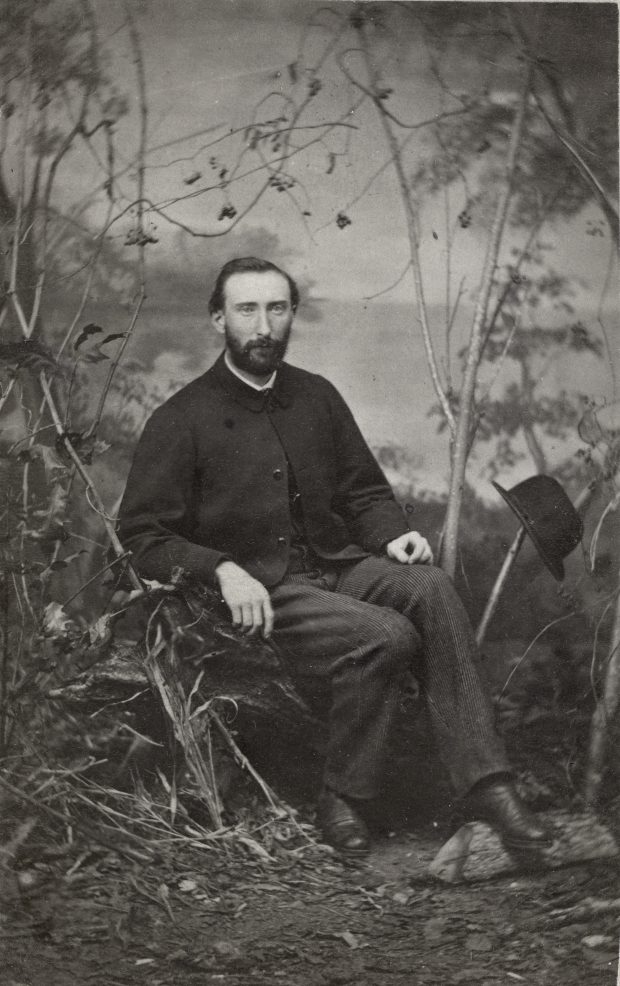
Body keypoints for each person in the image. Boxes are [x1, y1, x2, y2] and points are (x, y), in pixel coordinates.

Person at [118, 256, 551, 855]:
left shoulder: (316, 397)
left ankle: (487, 784)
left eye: (277, 308)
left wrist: (391, 533)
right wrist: (218, 569)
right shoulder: (180, 419)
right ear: (218, 319)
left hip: (338, 565)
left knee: (430, 587)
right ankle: (343, 796)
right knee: (386, 635)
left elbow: (365, 492)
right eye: (247, 310)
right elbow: (142, 536)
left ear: (293, 313)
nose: (264, 325)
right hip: (259, 591)